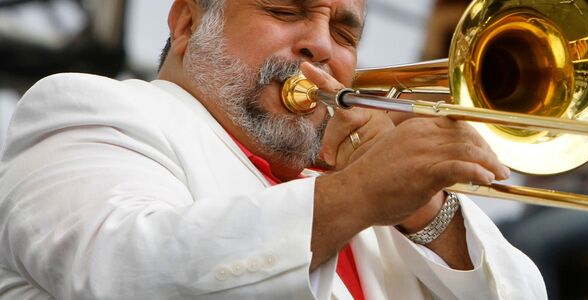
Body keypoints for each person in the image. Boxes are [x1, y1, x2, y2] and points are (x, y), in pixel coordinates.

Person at [0, 0, 546, 298]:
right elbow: (123, 271)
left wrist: (428, 214)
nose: (322, 45)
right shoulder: (88, 109)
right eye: (286, 11)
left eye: (345, 33)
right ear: (187, 22)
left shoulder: (373, 200)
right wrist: (359, 193)